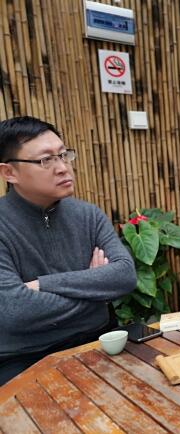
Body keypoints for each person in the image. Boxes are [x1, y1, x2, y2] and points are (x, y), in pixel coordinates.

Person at [0, 116, 137, 385]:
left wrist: (42, 285)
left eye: (64, 155)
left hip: (96, 339)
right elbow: (15, 311)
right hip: (24, 356)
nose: (63, 168)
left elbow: (124, 275)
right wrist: (96, 294)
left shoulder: (88, 215)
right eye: (46, 160)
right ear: (9, 173)